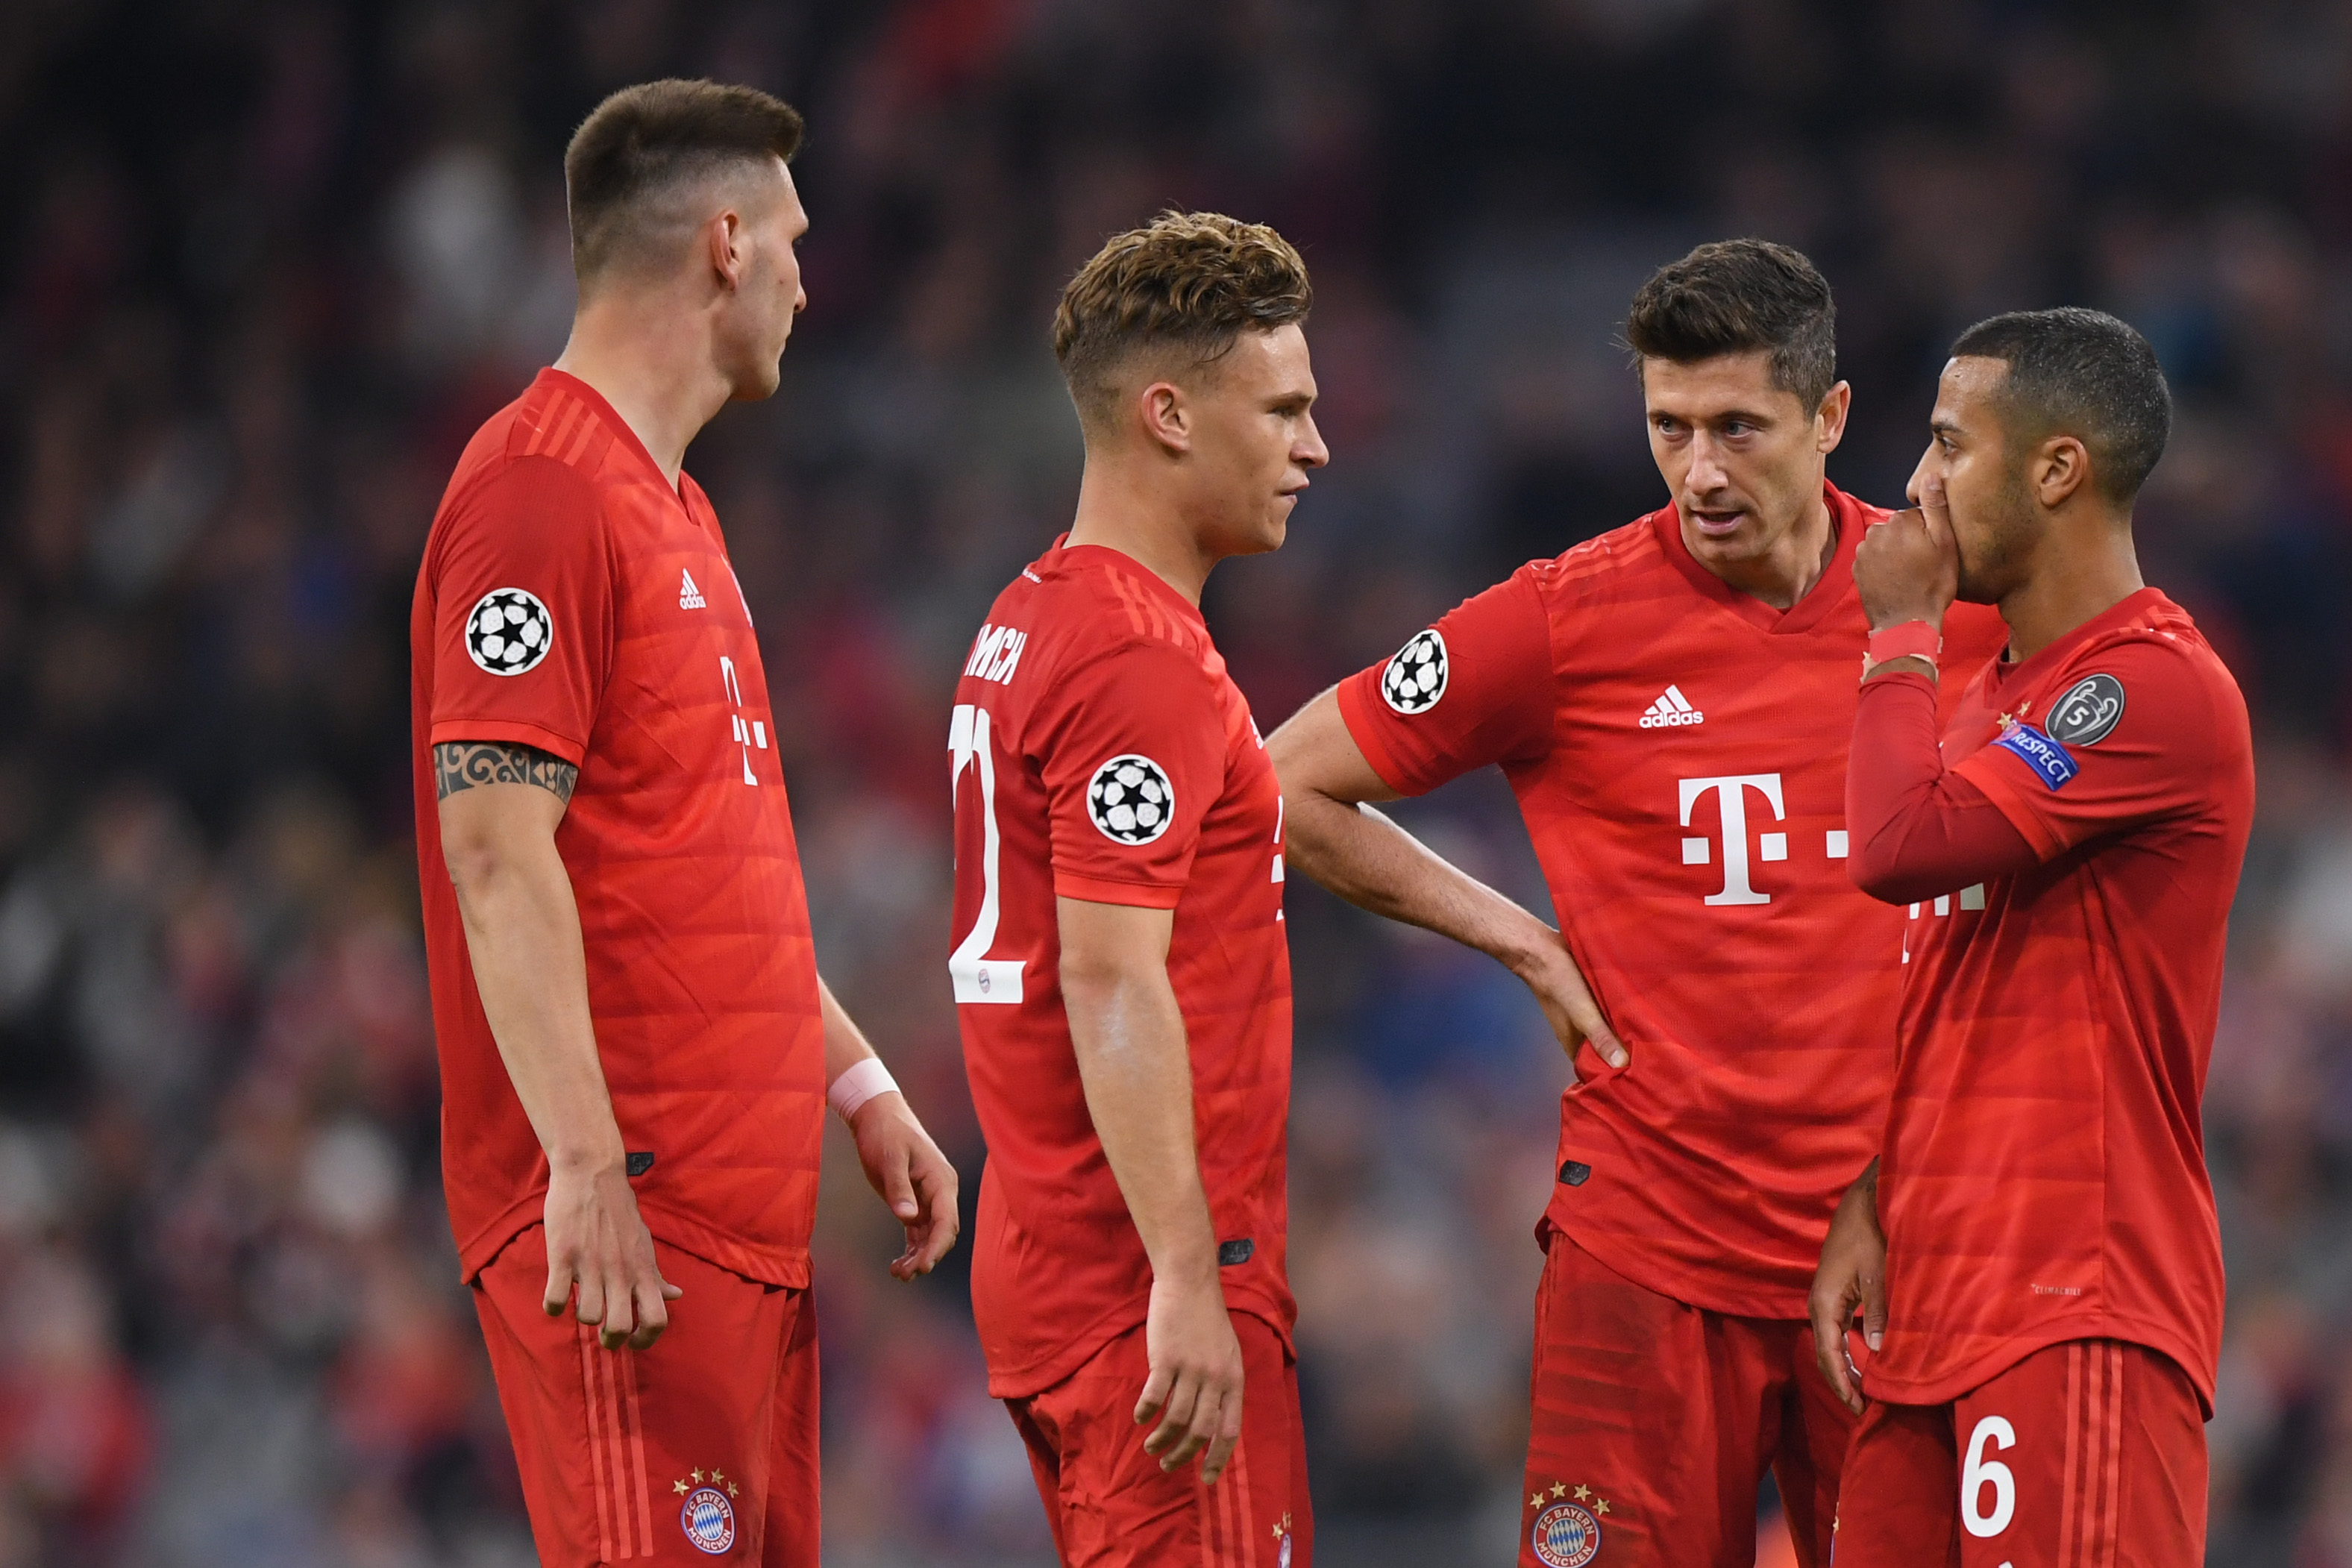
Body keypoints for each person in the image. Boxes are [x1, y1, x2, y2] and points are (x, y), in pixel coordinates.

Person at [1266, 239, 2007, 1568]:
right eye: (1669, 428)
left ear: (1829, 417)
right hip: (1652, 1244)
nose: (1701, 470)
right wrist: (1518, 937)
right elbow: (1278, 783)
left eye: (1738, 427)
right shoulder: (1565, 617)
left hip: (1899, 1240)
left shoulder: (1952, 606)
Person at [410, 80, 959, 1568]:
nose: (803, 273)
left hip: (736, 1232)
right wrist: (584, 1163)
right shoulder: (537, 492)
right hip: (626, 1228)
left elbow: (702, 867)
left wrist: (852, 1082)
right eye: (789, 237)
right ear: (721, 244)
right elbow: (493, 849)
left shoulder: (680, 515)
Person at [1810, 308, 2253, 1566]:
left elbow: (1896, 849)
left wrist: (1894, 627)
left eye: (1948, 445)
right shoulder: (1991, 700)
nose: (1913, 484)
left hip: (2077, 1301)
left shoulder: (2155, 686)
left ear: (2054, 469)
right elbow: (1950, 982)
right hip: (1935, 1310)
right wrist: (1871, 1194)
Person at [948, 210, 1326, 1567]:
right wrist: (1185, 1272)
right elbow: (1109, 973)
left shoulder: (1032, 612)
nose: (1312, 446)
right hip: (1139, 1288)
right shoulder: (1139, 660)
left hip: (1050, 1254)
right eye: (1281, 407)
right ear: (1168, 414)